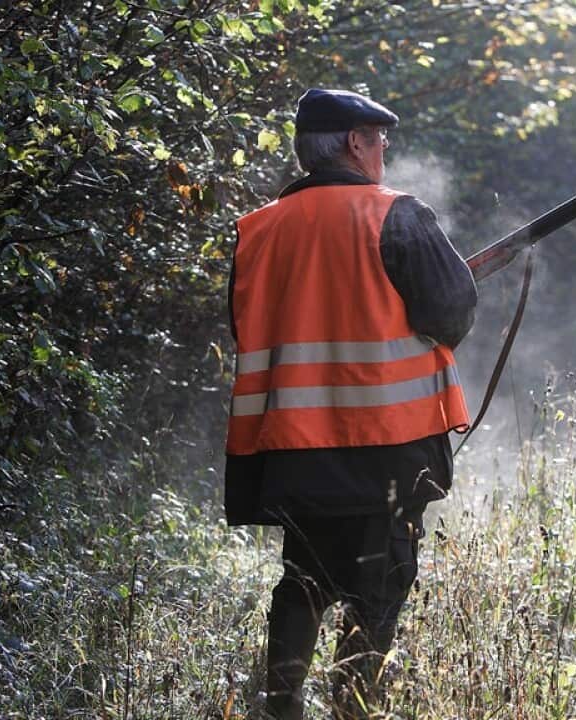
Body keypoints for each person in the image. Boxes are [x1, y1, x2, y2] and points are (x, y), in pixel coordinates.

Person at [224, 87, 477, 719]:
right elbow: (452, 314)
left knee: (304, 577)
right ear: (354, 143)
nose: (385, 147)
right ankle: (353, 711)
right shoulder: (398, 216)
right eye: (378, 137)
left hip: (293, 449)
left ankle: (278, 707)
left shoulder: (258, 230)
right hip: (383, 450)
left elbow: (248, 325)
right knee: (378, 589)